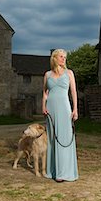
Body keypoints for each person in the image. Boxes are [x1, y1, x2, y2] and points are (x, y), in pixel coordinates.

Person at [42, 49, 79, 182]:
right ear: (54, 58)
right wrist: (43, 106)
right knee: (52, 139)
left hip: (64, 108)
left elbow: (73, 93)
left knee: (64, 138)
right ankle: (53, 171)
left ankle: (64, 172)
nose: (63, 59)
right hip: (51, 110)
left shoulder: (69, 73)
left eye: (65, 57)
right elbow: (45, 93)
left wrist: (75, 109)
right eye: (61, 57)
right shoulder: (47, 75)